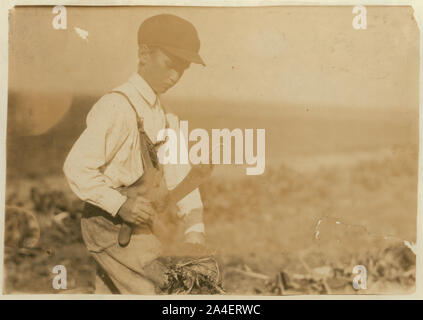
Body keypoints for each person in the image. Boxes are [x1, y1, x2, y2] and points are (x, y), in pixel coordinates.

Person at [63, 14, 206, 294]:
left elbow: (180, 174)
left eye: (183, 68)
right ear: (143, 54)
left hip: (141, 228)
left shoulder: (163, 116)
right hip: (110, 228)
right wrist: (120, 204)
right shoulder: (117, 107)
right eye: (169, 64)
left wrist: (195, 226)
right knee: (161, 289)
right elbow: (77, 167)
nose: (175, 76)